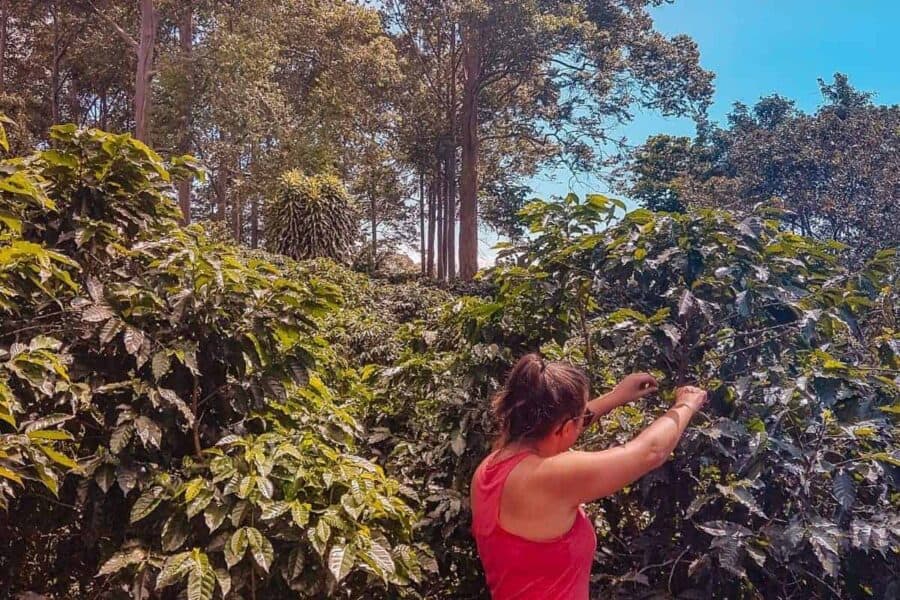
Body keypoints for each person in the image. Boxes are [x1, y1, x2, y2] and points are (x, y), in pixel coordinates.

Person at [470, 353, 708, 599]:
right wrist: (686, 404)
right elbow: (650, 452)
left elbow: (553, 427)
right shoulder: (546, 478)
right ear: (564, 427)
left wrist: (616, 397)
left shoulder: (493, 464)